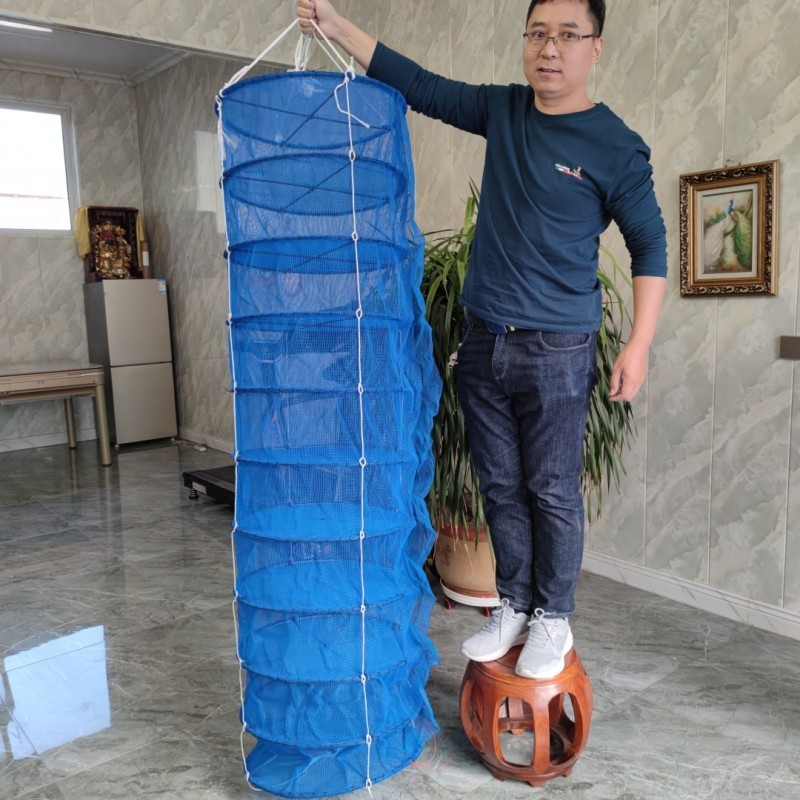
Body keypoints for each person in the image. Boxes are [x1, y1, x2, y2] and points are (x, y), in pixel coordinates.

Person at [297, 0, 667, 679]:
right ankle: (515, 604)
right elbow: (422, 85)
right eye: (538, 34)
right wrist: (335, 25)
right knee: (498, 485)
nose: (549, 48)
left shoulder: (615, 145)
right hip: (483, 340)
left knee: (551, 489)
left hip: (559, 348)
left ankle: (554, 616)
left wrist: (638, 345)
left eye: (567, 35)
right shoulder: (504, 110)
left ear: (595, 47)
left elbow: (650, 246)